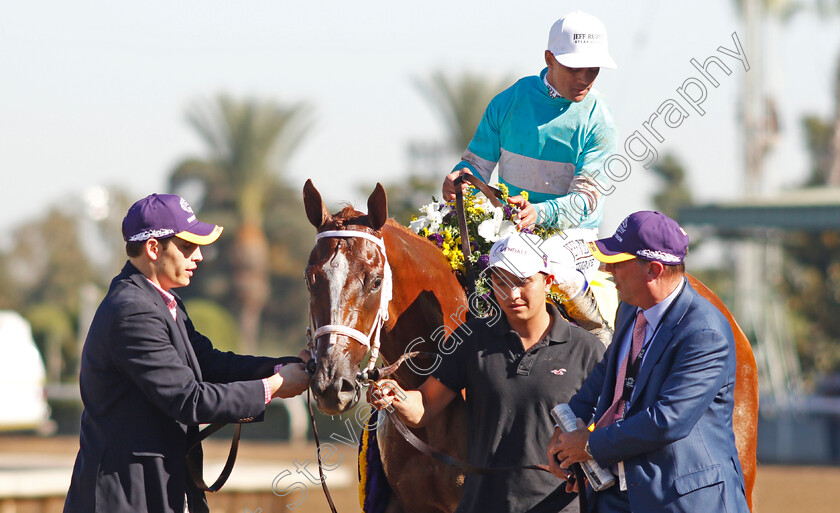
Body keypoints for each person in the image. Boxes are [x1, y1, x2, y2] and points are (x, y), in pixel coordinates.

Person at [64, 193, 311, 513]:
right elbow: (189, 401)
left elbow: (211, 364)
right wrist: (273, 387)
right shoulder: (133, 311)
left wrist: (287, 366)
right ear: (153, 248)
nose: (199, 256)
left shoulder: (160, 303)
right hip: (126, 496)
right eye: (187, 246)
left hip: (154, 489)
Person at [370, 232, 605, 513]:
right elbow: (424, 407)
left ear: (548, 280)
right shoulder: (472, 340)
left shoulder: (587, 349)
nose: (512, 294)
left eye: (523, 281)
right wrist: (395, 397)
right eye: (501, 282)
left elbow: (610, 427)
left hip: (562, 506)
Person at [546, 211, 750, 513]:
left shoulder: (705, 332)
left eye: (617, 263)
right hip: (616, 496)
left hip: (682, 501)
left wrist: (588, 446)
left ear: (653, 270)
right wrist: (566, 429)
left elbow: (668, 420)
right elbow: (607, 371)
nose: (606, 269)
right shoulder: (629, 307)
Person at [442, 11, 618, 234]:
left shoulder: (599, 120)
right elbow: (477, 166)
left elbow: (584, 199)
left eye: (593, 70)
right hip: (509, 228)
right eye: (574, 68)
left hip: (573, 236)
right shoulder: (508, 101)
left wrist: (539, 213)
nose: (584, 79)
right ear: (550, 59)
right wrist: (460, 181)